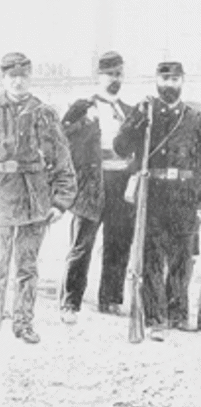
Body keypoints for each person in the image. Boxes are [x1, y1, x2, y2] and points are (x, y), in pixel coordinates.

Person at [114, 61, 201, 341]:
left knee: (182, 257)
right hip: (153, 193)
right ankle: (155, 318)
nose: (169, 84)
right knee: (152, 257)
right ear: (156, 80)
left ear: (183, 81)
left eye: (175, 79)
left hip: (184, 194)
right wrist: (135, 123)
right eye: (165, 78)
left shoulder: (194, 118)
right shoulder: (145, 112)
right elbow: (122, 148)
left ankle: (178, 315)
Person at [0, 52, 76, 343]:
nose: (18, 82)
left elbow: (62, 159)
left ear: (30, 78)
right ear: (4, 78)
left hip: (34, 200)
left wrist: (61, 201)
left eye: (23, 76)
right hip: (2, 199)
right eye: (11, 76)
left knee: (27, 267)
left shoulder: (44, 113)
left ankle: (23, 322)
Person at [60, 51, 134, 323]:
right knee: (82, 244)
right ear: (98, 76)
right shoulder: (82, 106)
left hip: (121, 183)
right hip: (92, 183)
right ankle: (70, 302)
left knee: (118, 243)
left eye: (119, 74)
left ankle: (111, 299)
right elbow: (61, 138)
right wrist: (84, 122)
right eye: (110, 74)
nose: (115, 79)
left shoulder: (129, 111)